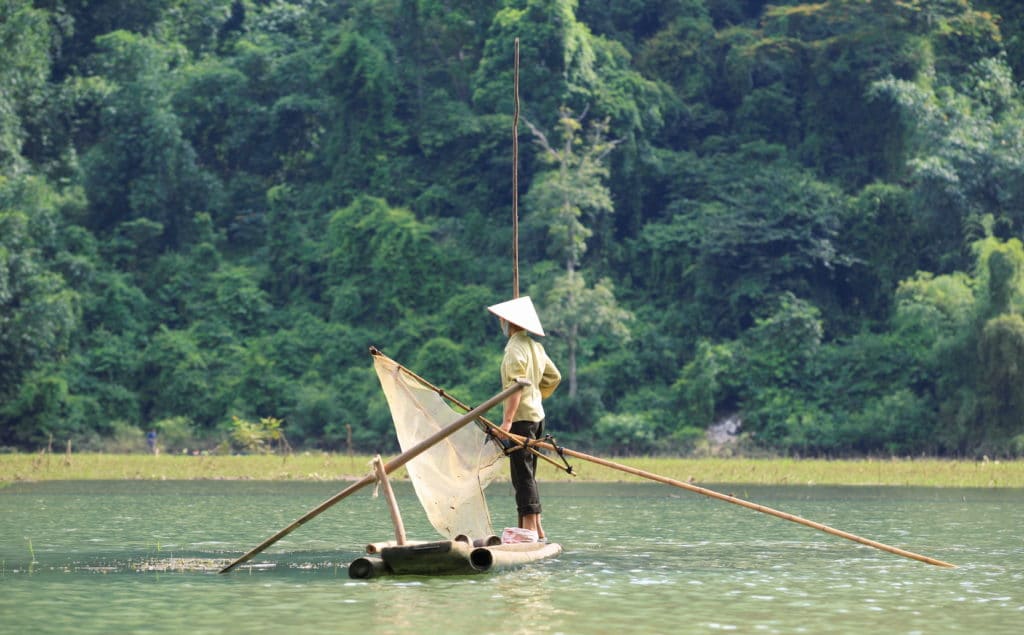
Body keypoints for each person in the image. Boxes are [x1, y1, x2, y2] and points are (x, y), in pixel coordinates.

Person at [487, 296, 561, 542]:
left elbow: (517, 387)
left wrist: (507, 423)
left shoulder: (514, 349)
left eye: (501, 319)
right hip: (537, 418)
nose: (500, 323)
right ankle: (535, 528)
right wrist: (537, 396)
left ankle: (529, 530)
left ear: (508, 322)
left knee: (522, 475)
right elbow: (553, 377)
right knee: (528, 473)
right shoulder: (535, 348)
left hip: (521, 420)